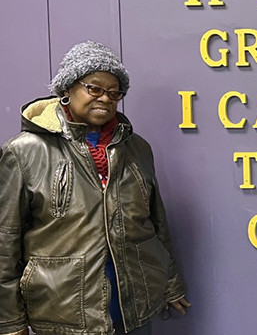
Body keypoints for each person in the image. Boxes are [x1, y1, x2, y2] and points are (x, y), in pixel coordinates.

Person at [0, 41, 190, 335]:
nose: (106, 98)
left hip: (133, 308)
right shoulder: (24, 152)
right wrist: (9, 321)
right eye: (94, 89)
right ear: (67, 89)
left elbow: (157, 223)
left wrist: (171, 284)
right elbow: (5, 242)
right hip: (65, 314)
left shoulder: (137, 148)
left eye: (115, 93)